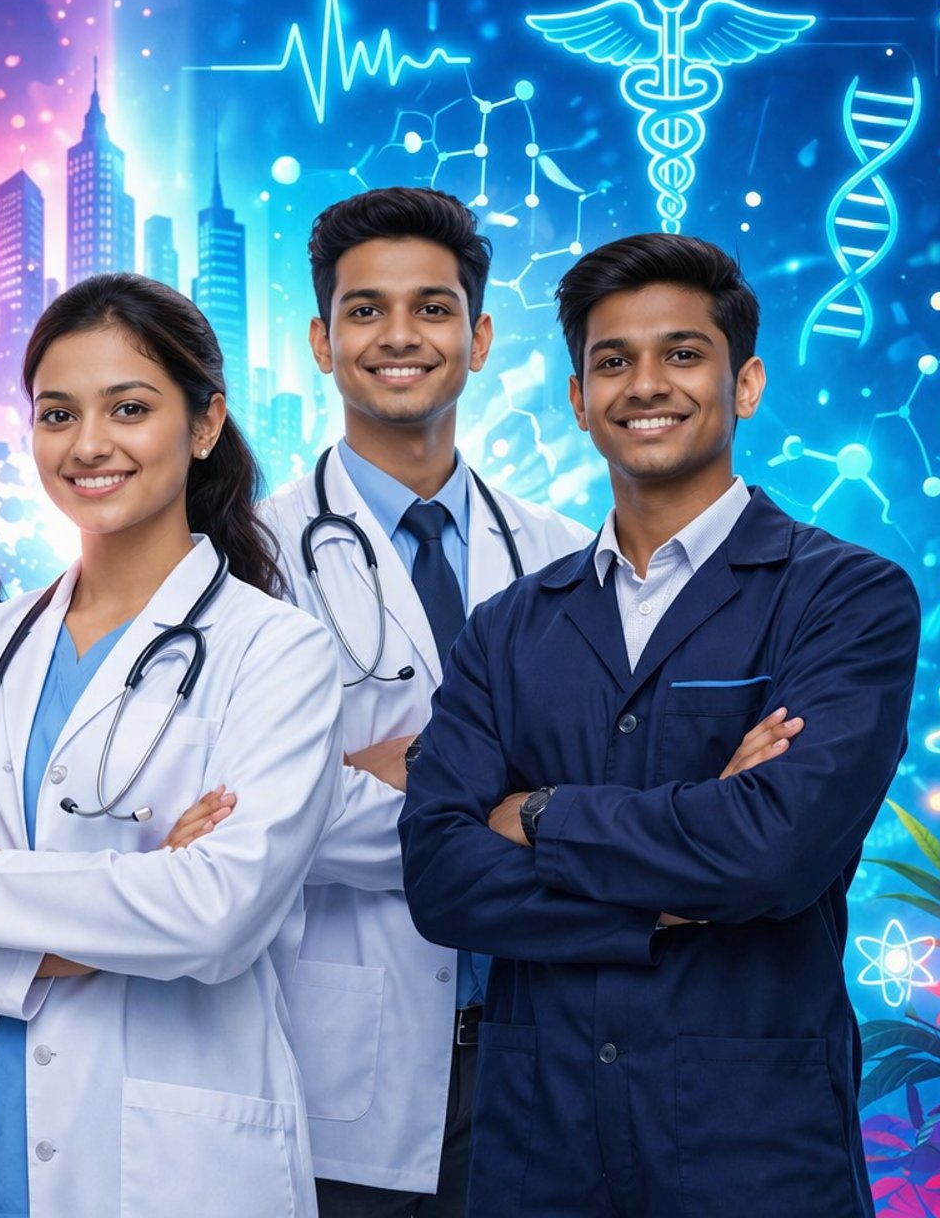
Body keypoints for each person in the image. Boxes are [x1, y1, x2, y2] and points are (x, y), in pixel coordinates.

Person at [398, 233, 921, 1217]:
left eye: (682, 353)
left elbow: (772, 853)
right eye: (612, 360)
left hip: (751, 1143)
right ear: (578, 398)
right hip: (536, 1147)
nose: (646, 383)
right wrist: (681, 879)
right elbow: (441, 876)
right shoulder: (508, 626)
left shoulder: (844, 597)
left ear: (747, 382)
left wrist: (542, 813)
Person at [0, 272, 344, 1218]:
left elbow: (216, 915)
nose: (88, 445)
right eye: (57, 414)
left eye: (129, 408)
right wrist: (85, 937)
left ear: (205, 423)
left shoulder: (279, 652)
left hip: (172, 1168)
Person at [260, 187, 591, 1217]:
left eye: (432, 307)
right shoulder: (248, 561)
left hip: (541, 1044)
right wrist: (517, 798)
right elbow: (252, 820)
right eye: (365, 310)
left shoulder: (565, 554)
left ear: (480, 335)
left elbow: (615, 786)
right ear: (321, 339)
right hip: (343, 1071)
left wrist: (388, 774)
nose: (398, 335)